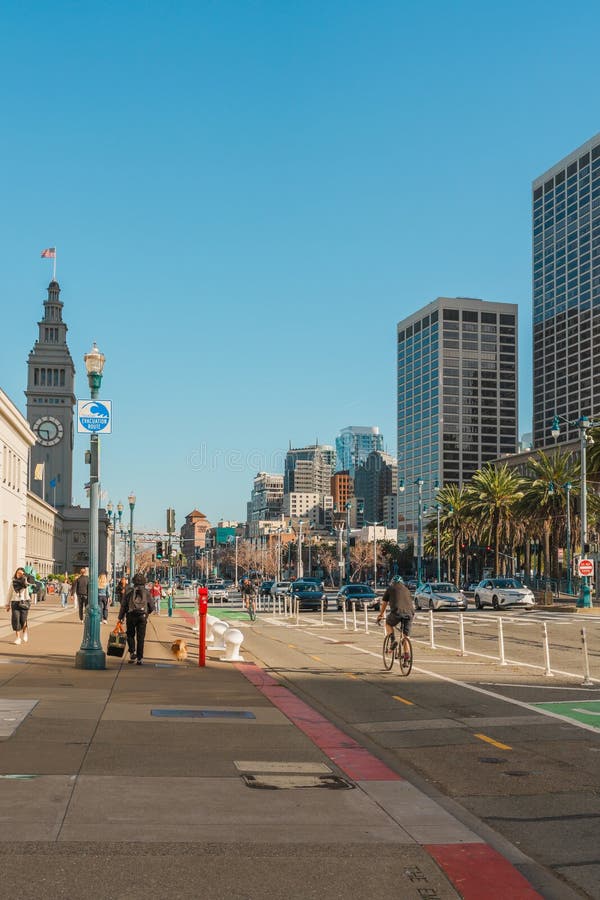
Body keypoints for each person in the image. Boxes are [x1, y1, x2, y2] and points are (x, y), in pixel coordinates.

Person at [118, 573, 155, 665]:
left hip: (131, 615)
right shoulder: (146, 592)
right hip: (142, 616)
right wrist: (146, 613)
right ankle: (140, 658)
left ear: (133, 581)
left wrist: (121, 617)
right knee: (140, 638)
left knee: (130, 635)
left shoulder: (128, 591)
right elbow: (152, 606)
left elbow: (123, 605)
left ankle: (132, 652)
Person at [376, 576, 414, 660]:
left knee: (388, 623)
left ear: (392, 582)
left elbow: (384, 603)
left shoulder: (390, 588)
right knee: (405, 636)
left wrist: (381, 614)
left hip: (397, 612)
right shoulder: (407, 590)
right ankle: (407, 654)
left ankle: (393, 641)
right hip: (410, 613)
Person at [5, 567, 31, 644]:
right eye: (18, 573)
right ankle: (18, 638)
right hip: (15, 603)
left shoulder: (25, 582)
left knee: (23, 620)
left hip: (24, 602)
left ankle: (25, 632)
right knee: (16, 620)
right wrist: (7, 604)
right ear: (16, 573)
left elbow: (30, 583)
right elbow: (9, 593)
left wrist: (25, 576)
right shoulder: (13, 582)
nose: (19, 574)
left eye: (21, 573)